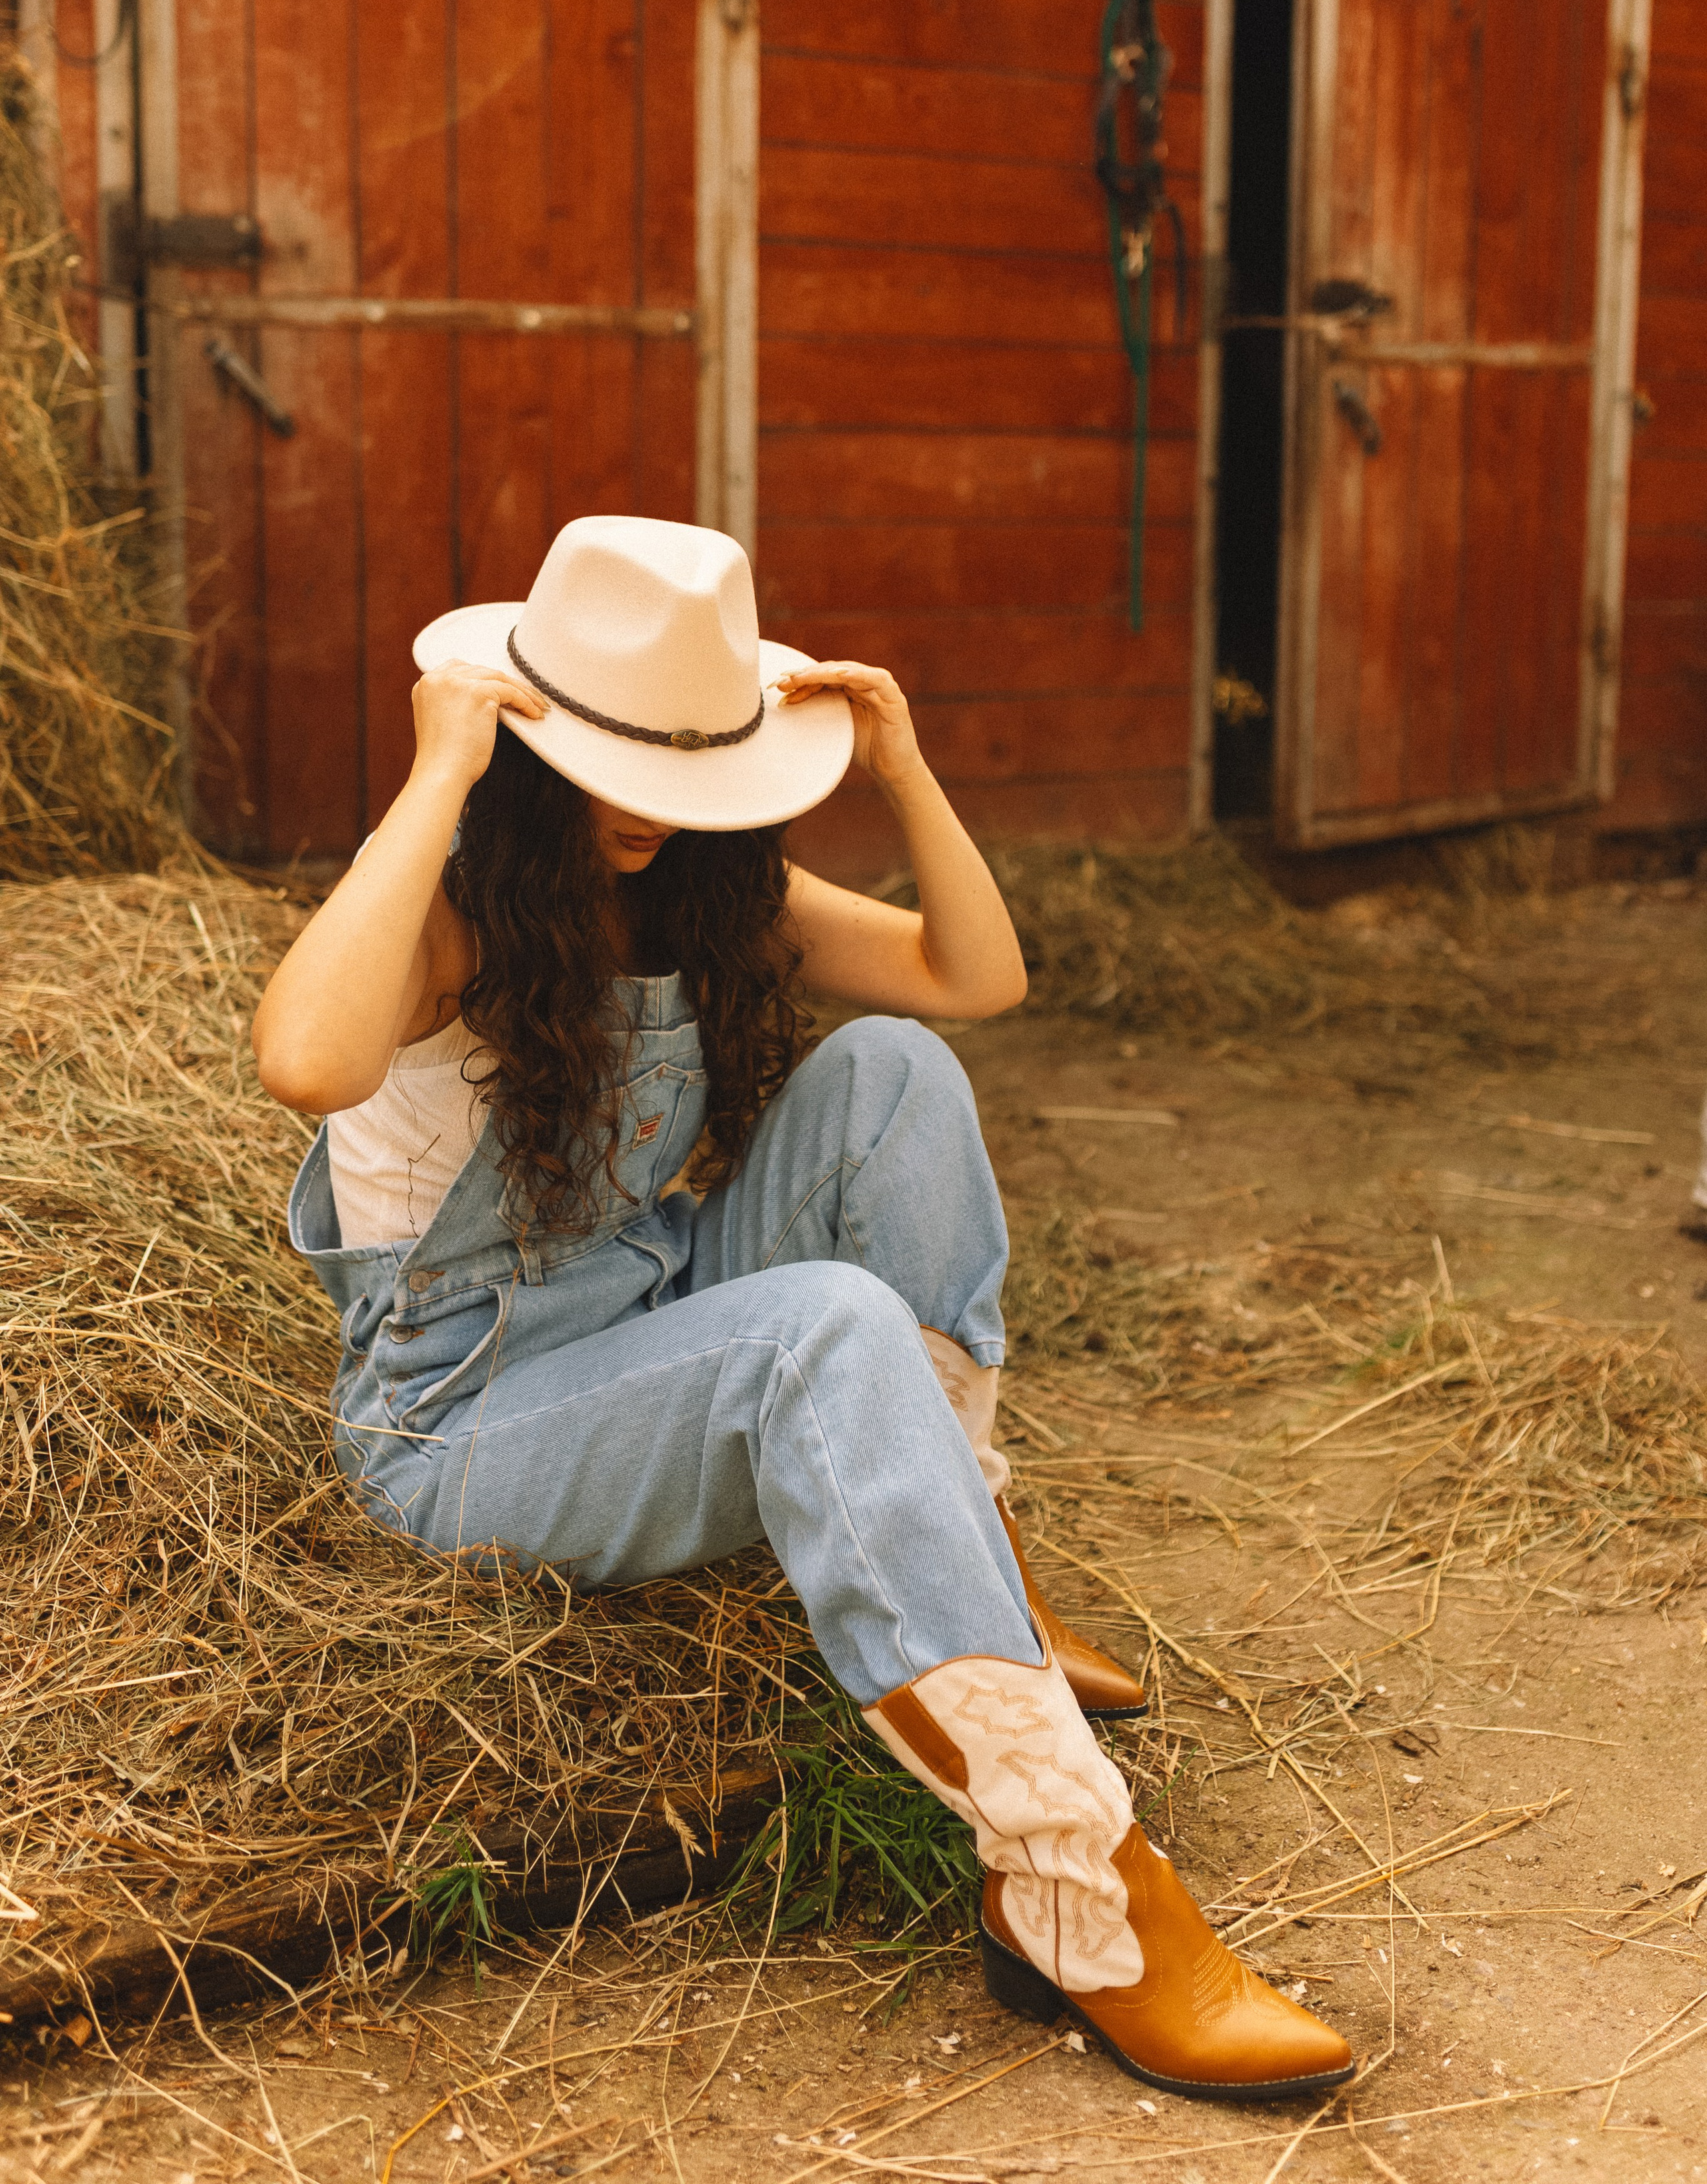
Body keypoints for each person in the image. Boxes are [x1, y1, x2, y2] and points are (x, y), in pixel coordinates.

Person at [253, 515, 1353, 2101]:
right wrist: (431, 779)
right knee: (816, 1322)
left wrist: (902, 768)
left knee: (895, 1074)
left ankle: (977, 1578)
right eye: (612, 758)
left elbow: (975, 977)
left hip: (647, 1307)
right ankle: (1076, 1884)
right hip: (470, 1415)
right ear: (528, 734)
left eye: (682, 764)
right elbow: (302, 1058)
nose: (643, 805)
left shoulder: (707, 890)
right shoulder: (448, 915)